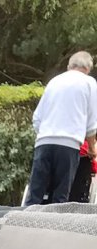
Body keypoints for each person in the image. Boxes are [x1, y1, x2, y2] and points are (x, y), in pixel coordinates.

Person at [25, 51, 97, 206]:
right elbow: (91, 124)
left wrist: (45, 133)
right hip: (69, 144)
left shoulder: (54, 81)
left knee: (35, 194)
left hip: (44, 142)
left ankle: (24, 219)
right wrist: (92, 148)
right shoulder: (89, 82)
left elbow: (37, 118)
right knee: (60, 197)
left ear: (69, 66)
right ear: (88, 69)